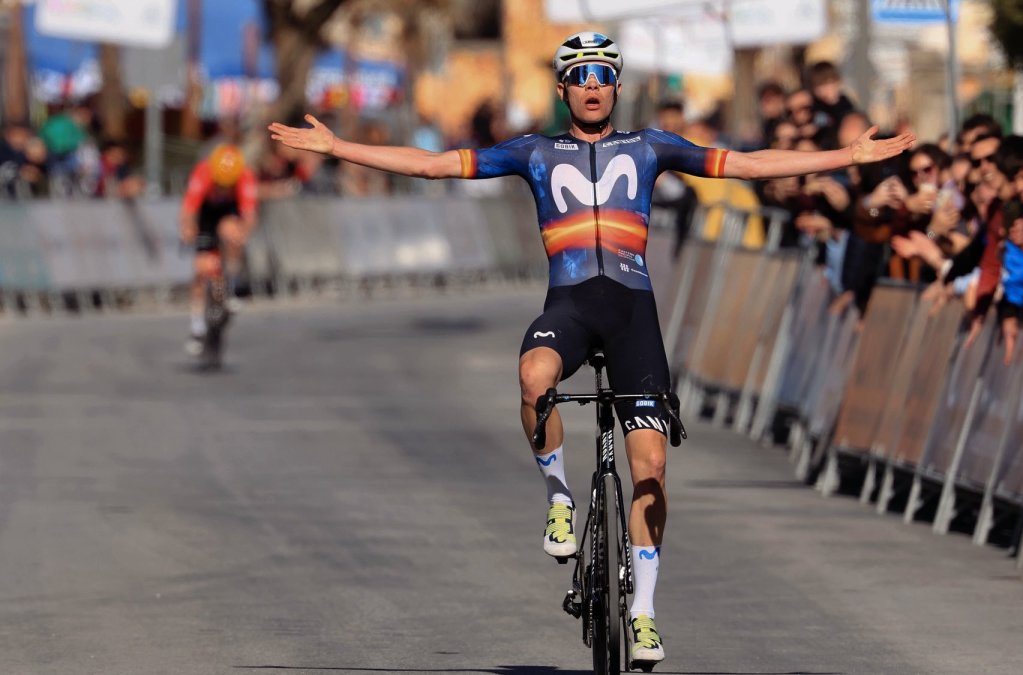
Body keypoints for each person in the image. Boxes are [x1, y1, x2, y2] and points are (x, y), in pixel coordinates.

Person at [268, 31, 913, 667]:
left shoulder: (651, 144)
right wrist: (338, 148)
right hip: (571, 307)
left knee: (651, 469)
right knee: (532, 378)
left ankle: (644, 615)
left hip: (633, 314)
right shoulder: (534, 151)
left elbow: (744, 164)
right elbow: (439, 165)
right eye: (580, 76)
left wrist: (845, 157)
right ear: (562, 89)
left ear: (618, 86)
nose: (593, 86)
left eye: (604, 75)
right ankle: (558, 498)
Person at [179, 144, 258, 355]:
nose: (223, 188)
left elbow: (250, 217)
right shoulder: (203, 172)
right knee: (202, 269)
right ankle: (197, 328)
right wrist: (187, 229)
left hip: (229, 214)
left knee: (231, 232)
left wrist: (242, 235)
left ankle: (231, 285)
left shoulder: (245, 176)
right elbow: (188, 210)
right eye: (220, 184)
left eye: (228, 185)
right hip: (207, 215)